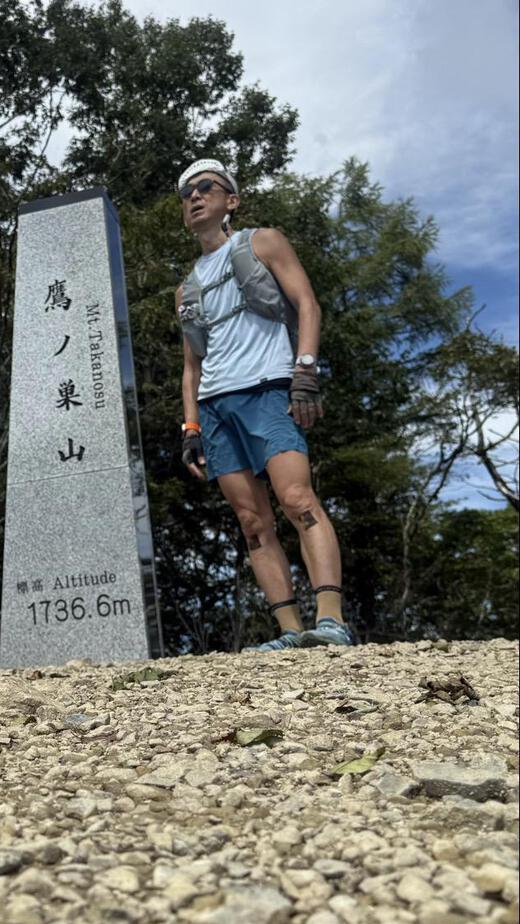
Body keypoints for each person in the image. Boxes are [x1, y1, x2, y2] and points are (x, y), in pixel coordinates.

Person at [175, 157, 353, 650]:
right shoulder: (186, 288)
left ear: (231, 200)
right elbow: (191, 366)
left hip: (268, 389)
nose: (194, 197)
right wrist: (191, 428)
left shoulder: (263, 242)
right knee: (252, 522)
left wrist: (305, 373)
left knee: (297, 499)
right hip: (215, 406)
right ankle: (289, 631)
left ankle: (331, 620)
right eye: (186, 193)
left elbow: (307, 304)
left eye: (206, 187)